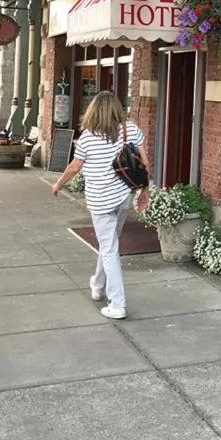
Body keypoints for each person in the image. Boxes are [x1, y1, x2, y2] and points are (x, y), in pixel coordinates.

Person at [52, 91, 149, 320]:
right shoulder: (130, 130)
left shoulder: (87, 137)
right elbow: (144, 162)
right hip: (123, 197)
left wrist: (58, 184)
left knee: (109, 249)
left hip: (100, 201)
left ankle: (117, 304)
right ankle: (97, 284)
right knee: (109, 245)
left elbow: (75, 167)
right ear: (116, 109)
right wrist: (145, 190)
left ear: (93, 110)